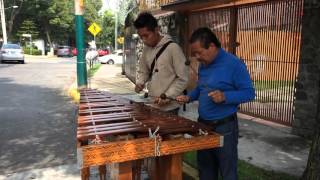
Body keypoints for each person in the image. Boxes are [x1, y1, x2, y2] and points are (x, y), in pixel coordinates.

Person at [176, 27, 255, 180]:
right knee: (205, 170)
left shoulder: (234, 64)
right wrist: (189, 97)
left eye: (199, 52)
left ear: (212, 46)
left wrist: (225, 96)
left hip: (224, 128)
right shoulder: (203, 64)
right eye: (194, 54)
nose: (197, 57)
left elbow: (249, 93)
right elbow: (201, 88)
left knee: (228, 173)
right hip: (203, 126)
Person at [133, 12, 189, 112]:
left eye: (146, 35)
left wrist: (168, 95)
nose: (144, 40)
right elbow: (143, 71)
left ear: (156, 30)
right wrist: (140, 83)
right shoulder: (146, 49)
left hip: (170, 108)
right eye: (141, 37)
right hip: (152, 103)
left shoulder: (173, 48)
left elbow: (183, 78)